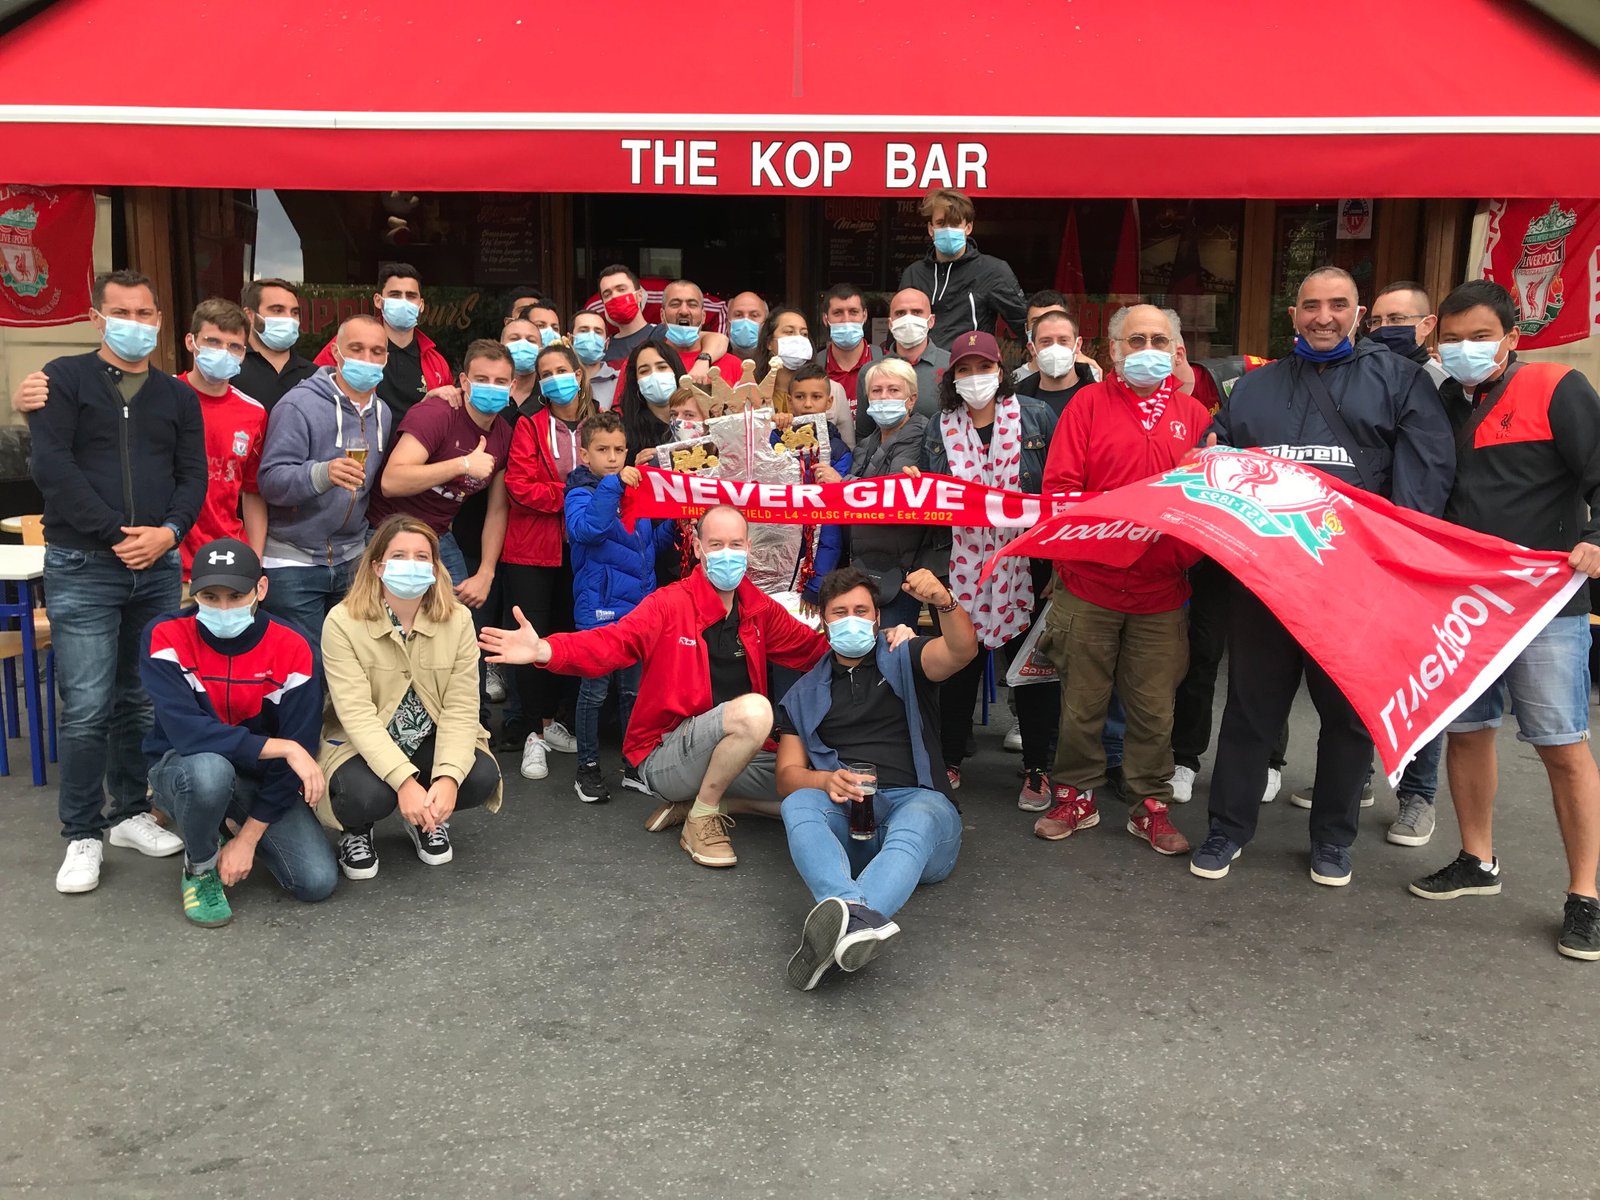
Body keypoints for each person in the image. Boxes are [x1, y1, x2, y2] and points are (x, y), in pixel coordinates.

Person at [1191, 266, 1455, 887]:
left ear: (1358, 313)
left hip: (1353, 586)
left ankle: (1333, 840)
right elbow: (1219, 453)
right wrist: (1207, 453)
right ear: (1294, 315)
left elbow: (1426, 478)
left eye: (1338, 305)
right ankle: (1227, 828)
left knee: (1347, 719)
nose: (1323, 316)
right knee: (1250, 712)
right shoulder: (1254, 387)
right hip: (1266, 582)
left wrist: (1394, 568)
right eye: (1311, 305)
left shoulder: (1401, 381)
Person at [1408, 279, 1600, 960]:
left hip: (1545, 603)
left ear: (1512, 337)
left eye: (1480, 337)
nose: (1465, 349)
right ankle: (1477, 859)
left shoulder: (1557, 388)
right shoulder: (1437, 401)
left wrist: (1597, 537)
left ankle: (1585, 896)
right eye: (1453, 339)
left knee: (1562, 747)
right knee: (1467, 733)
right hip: (1463, 604)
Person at [480, 505, 828, 870]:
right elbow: (612, 643)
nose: (727, 554)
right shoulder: (669, 604)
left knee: (808, 785)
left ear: (749, 548)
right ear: (697, 548)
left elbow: (814, 651)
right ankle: (701, 818)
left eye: (735, 544)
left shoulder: (758, 610)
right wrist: (544, 649)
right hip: (666, 754)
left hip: (730, 751)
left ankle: (711, 803)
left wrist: (867, 639)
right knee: (755, 711)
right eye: (716, 544)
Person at [31, 268, 205, 894]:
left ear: (159, 318)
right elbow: (53, 467)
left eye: (145, 313)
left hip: (157, 566)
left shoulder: (176, 396)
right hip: (84, 564)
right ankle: (82, 832)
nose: (136, 323)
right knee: (86, 704)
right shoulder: (62, 379)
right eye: (122, 312)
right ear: (96, 316)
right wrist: (116, 534)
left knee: (140, 696)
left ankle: (131, 811)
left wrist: (170, 533)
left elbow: (192, 474)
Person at [1033, 304, 1210, 855]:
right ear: (1114, 349)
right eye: (1136, 340)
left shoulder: (1195, 414)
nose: (1147, 350)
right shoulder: (1086, 405)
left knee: (1154, 709)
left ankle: (1150, 805)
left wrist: (1177, 556)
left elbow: (1205, 503)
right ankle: (1074, 796)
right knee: (1081, 703)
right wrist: (1110, 538)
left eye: (1159, 340)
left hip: (1162, 590)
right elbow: (1060, 490)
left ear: (1176, 350)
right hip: (1089, 585)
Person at [776, 566, 975, 990]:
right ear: (824, 621)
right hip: (853, 819)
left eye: (861, 610)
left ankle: (846, 919)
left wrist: (944, 602)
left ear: (877, 617)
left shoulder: (905, 655)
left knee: (920, 815)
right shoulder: (802, 695)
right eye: (840, 612)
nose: (851, 619)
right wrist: (823, 781)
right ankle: (855, 921)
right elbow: (787, 777)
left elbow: (961, 652)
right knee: (797, 803)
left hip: (918, 809)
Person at [141, 538, 336, 925]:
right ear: (193, 591)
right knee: (210, 771)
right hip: (185, 766)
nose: (223, 608)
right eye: (210, 597)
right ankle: (200, 866)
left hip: (257, 777)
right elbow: (188, 734)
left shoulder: (294, 646)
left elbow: (296, 751)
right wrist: (282, 747)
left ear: (261, 588)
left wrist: (249, 838)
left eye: (236, 595)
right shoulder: (165, 634)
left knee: (316, 881)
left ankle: (227, 825)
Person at [318, 515, 503, 880]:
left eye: (422, 557)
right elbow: (356, 715)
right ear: (377, 567)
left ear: (435, 568)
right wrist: (404, 782)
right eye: (399, 555)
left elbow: (462, 706)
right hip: (362, 742)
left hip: (428, 736)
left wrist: (448, 778)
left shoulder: (459, 619)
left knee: (479, 775)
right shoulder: (342, 622)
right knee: (365, 796)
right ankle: (356, 828)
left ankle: (427, 817)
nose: (412, 564)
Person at [919, 331, 1058, 801]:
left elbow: (1057, 491)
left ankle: (1038, 768)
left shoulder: (1036, 416)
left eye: (984, 367)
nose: (975, 377)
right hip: (961, 565)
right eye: (965, 369)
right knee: (959, 665)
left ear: (1000, 370)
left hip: (1027, 566)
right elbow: (929, 495)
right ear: (952, 377)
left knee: (1033, 670)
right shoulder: (938, 426)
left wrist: (1059, 565)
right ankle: (950, 760)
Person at [564, 411, 676, 804]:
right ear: (585, 455)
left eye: (619, 449)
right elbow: (586, 529)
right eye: (602, 450)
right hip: (598, 612)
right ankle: (587, 769)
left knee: (633, 693)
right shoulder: (580, 493)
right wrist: (614, 485)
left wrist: (676, 521)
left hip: (638, 613)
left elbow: (650, 547)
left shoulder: (634, 493)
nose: (612, 457)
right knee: (594, 693)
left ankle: (633, 766)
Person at [257, 314, 394, 635]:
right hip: (293, 562)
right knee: (307, 661)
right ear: (336, 352)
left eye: (377, 351)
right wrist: (323, 473)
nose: (367, 359)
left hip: (353, 559)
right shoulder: (298, 405)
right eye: (356, 349)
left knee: (351, 658)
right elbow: (270, 482)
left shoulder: (383, 412)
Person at [502, 342, 596, 776]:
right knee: (530, 635)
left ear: (578, 374)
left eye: (561, 370)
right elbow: (520, 485)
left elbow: (613, 473)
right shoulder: (529, 425)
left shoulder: (599, 421)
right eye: (545, 373)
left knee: (569, 634)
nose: (554, 378)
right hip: (532, 550)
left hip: (584, 548)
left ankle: (554, 721)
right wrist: (577, 496)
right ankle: (531, 734)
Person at [366, 338, 513, 611]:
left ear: (512, 387)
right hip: (387, 529)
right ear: (464, 382)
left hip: (437, 534)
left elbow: (497, 510)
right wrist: (462, 465)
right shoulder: (437, 414)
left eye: (500, 381)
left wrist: (486, 573)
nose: (491, 387)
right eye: (482, 379)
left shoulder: (504, 435)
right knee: (391, 618)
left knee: (458, 617)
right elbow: (391, 481)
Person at [849, 359, 949, 629]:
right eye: (876, 391)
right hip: (866, 564)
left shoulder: (923, 437)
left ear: (911, 399)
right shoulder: (865, 445)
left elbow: (888, 495)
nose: (884, 397)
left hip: (904, 568)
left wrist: (840, 484)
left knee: (894, 641)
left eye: (893, 390)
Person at [174, 299, 268, 579]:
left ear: (243, 354)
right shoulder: (162, 396)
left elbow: (253, 491)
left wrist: (254, 560)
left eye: (234, 346)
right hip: (167, 564)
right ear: (191, 342)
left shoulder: (254, 413)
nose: (223, 352)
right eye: (213, 341)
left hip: (228, 561)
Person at [313, 263, 451, 422]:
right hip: (357, 438)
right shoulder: (349, 346)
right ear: (378, 301)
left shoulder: (436, 363)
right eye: (395, 295)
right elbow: (313, 394)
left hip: (415, 438)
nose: (403, 302)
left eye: (411, 296)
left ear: (421, 305)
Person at [898, 189, 1027, 352]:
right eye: (941, 223)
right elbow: (897, 326)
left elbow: (1024, 324)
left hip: (968, 364)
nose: (948, 229)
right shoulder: (914, 274)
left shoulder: (993, 271)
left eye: (955, 223)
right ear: (931, 229)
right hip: (921, 365)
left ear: (968, 227)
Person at [594, 265, 728, 377]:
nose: (615, 296)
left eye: (621, 289)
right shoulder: (603, 348)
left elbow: (719, 339)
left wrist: (703, 360)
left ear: (639, 295)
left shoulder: (664, 332)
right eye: (607, 294)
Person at [853, 288, 949, 441]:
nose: (908, 319)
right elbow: (864, 435)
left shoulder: (952, 366)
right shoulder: (870, 372)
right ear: (890, 323)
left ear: (931, 321)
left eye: (916, 312)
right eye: (900, 313)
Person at [236, 278, 316, 409]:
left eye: (294, 312)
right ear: (249, 315)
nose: (289, 318)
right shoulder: (231, 369)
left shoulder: (314, 375)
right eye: (277, 310)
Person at [1365, 281, 1450, 389]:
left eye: (1395, 319)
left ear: (1427, 325)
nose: (1383, 328)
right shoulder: (1360, 375)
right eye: (1376, 321)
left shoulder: (1445, 383)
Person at [660, 279, 745, 386]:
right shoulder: (648, 362)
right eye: (675, 304)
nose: (684, 311)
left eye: (692, 305)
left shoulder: (733, 365)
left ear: (703, 316)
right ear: (662, 315)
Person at [1014, 309, 1098, 415]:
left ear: (1078, 345)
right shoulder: (1015, 402)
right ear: (1032, 349)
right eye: (1046, 342)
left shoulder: (1098, 398)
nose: (1055, 348)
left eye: (1063, 341)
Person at [619, 342, 688, 464]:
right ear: (636, 381)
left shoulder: (700, 420)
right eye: (644, 371)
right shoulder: (623, 432)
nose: (654, 375)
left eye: (662, 367)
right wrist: (637, 469)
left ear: (676, 371)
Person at [815, 282, 879, 414]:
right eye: (837, 313)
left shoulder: (883, 361)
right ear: (825, 319)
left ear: (864, 315)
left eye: (853, 312)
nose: (846, 320)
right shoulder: (816, 367)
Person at [572, 309, 620, 410]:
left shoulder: (620, 381)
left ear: (607, 343)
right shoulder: (561, 380)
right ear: (570, 339)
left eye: (598, 332)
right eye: (584, 331)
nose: (591, 336)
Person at [726, 291, 768, 358]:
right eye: (738, 315)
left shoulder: (777, 363)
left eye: (754, 315)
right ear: (728, 325)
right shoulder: (714, 361)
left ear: (766, 324)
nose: (746, 321)